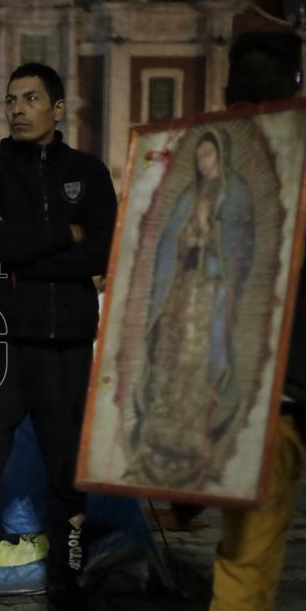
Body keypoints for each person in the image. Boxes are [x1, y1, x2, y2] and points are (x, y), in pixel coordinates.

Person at [0, 62, 117, 611]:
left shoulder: (88, 174)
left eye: (32, 98)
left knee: (68, 477)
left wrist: (25, 244)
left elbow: (101, 254)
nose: (18, 109)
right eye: (12, 99)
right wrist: (65, 233)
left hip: (65, 344)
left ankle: (69, 588)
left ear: (58, 108)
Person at [194, 37, 306, 611]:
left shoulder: (195, 169)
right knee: (247, 572)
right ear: (297, 84)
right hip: (277, 397)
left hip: (206, 398)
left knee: (236, 563)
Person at [130, 129, 254, 489]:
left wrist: (213, 244)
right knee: (171, 359)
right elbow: (170, 237)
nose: (204, 163)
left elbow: (241, 244)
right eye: (199, 157)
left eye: (209, 156)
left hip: (212, 291)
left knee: (203, 358)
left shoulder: (234, 195)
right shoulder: (189, 194)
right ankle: (164, 434)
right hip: (182, 290)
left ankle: (198, 436)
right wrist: (186, 242)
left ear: (221, 156)